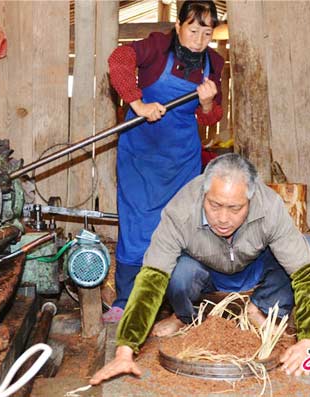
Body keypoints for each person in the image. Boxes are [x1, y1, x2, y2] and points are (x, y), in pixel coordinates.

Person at [91, 153, 310, 384]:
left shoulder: (270, 206)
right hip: (204, 272)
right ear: (204, 193)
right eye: (214, 205)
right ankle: (184, 317)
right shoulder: (180, 210)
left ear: (251, 199)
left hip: (253, 268)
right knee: (178, 273)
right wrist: (125, 350)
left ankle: (260, 309)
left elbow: (307, 276)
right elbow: (151, 280)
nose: (223, 218)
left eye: (235, 209)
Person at [103, 1, 225, 324]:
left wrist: (209, 102)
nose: (199, 39)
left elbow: (213, 116)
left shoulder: (214, 62)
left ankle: (170, 300)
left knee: (176, 224)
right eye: (193, 30)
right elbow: (118, 60)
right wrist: (138, 102)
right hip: (141, 152)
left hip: (181, 157)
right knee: (136, 224)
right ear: (179, 25)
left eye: (207, 32)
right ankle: (126, 299)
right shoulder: (157, 46)